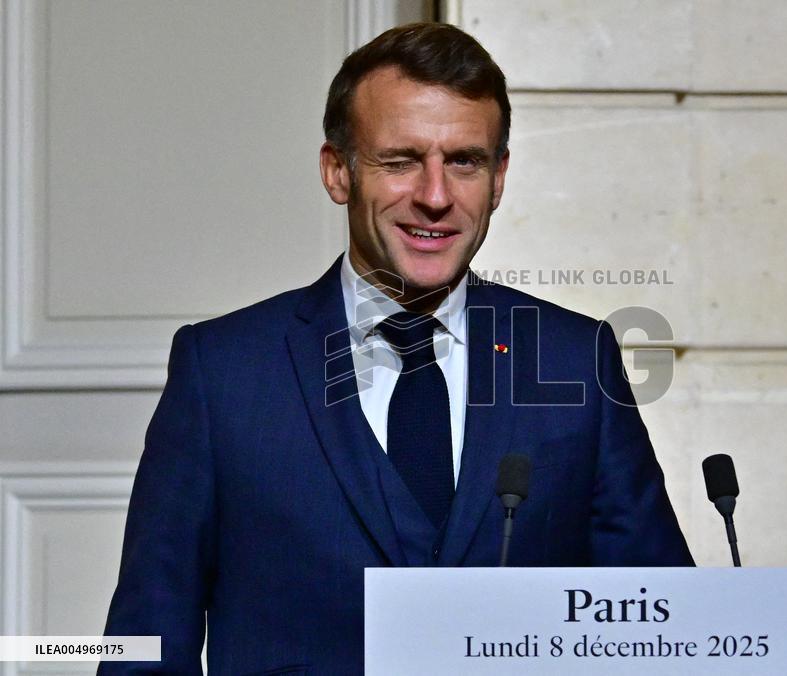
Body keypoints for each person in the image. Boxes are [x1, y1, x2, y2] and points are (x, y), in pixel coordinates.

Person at [100, 22, 693, 675]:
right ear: (337, 172)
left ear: (498, 179)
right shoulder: (222, 371)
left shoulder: (577, 361)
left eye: (463, 160)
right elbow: (145, 643)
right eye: (401, 160)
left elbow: (662, 627)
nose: (435, 197)